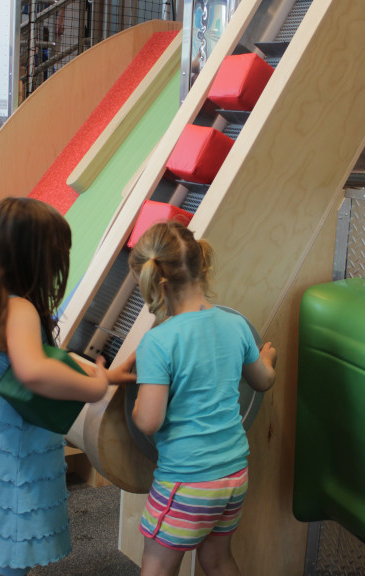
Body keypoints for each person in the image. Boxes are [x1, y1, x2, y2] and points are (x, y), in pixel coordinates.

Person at [0, 196, 136, 576]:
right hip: (12, 451)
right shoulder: (20, 309)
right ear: (34, 259)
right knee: (13, 550)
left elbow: (31, 359)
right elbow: (33, 371)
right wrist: (94, 389)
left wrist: (104, 375)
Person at [128, 220, 277, 576]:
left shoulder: (158, 342)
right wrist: (268, 359)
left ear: (151, 283)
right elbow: (263, 380)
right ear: (202, 266)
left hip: (187, 479)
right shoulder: (235, 324)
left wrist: (135, 400)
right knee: (217, 559)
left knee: (157, 566)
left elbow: (149, 420)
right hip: (233, 473)